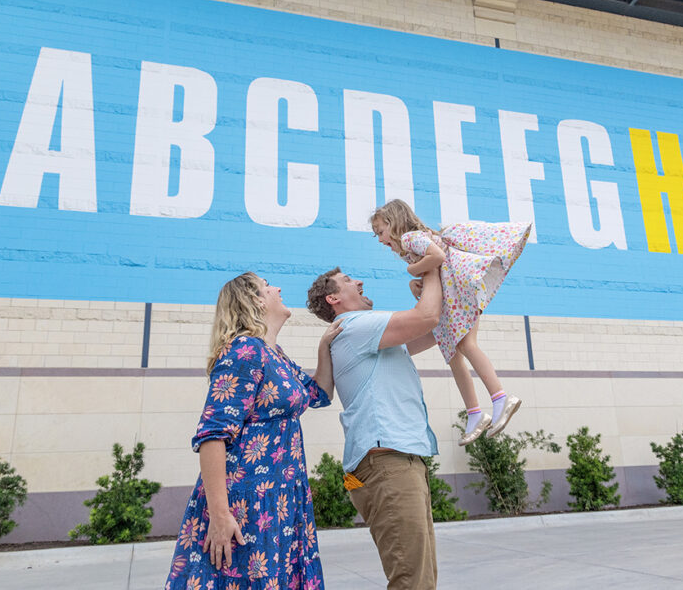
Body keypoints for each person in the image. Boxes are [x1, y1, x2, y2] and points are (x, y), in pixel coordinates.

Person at [166, 272, 340, 590]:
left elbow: (319, 395)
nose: (277, 288)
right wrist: (220, 515)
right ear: (256, 301)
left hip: (282, 499)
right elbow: (212, 436)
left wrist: (325, 344)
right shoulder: (244, 351)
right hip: (246, 503)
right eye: (267, 286)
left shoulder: (275, 355)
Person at [306, 266, 442, 590]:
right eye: (349, 281)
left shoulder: (368, 336)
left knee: (420, 579)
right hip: (389, 464)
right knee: (413, 582)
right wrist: (433, 267)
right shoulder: (355, 326)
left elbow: (440, 328)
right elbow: (428, 319)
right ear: (334, 298)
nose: (360, 281)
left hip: (398, 461)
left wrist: (433, 293)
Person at [369, 199, 529, 446]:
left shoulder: (411, 238)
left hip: (456, 294)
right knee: (454, 355)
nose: (380, 239)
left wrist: (413, 271)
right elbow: (436, 266)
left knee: (467, 346)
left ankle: (500, 397)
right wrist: (418, 280)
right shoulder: (414, 244)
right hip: (452, 295)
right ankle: (475, 413)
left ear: (393, 223)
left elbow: (438, 255)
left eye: (380, 232)